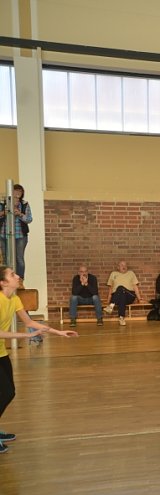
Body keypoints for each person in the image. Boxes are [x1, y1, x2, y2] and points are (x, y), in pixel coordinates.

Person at [0, 266, 78, 453]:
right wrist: (26, 336)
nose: (17, 276)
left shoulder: (15, 299)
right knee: (4, 392)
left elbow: (29, 323)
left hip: (1, 352)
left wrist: (58, 332)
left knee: (8, 392)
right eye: (12, 274)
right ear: (3, 283)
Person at [0, 184, 33, 280]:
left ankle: (19, 280)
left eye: (20, 191)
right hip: (4, 235)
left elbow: (29, 219)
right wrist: (4, 212)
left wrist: (20, 214)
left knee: (19, 259)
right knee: (6, 259)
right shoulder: (3, 203)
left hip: (20, 236)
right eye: (16, 191)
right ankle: (7, 279)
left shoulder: (24, 204)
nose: (18, 193)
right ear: (11, 191)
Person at [105, 260, 143, 326]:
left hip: (129, 295)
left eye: (125, 265)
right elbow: (111, 288)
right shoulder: (113, 274)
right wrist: (108, 300)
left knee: (120, 288)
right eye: (122, 265)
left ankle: (111, 306)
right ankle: (121, 318)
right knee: (122, 295)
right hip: (117, 296)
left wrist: (139, 299)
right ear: (118, 267)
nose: (124, 267)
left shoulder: (131, 273)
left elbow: (135, 286)